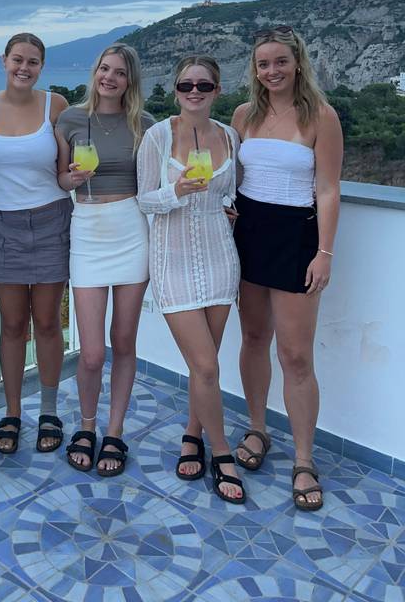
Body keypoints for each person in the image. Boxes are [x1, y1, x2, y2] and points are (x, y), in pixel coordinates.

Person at [232, 26, 343, 512]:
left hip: (297, 238)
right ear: (254, 70)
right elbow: (233, 177)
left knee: (296, 355)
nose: (271, 71)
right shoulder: (243, 115)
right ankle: (258, 429)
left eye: (280, 61)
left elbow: (328, 189)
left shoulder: (322, 115)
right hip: (248, 234)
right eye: (262, 64)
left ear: (297, 62)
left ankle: (304, 458)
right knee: (253, 339)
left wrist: (325, 252)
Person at [137, 54, 245, 503]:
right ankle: (222, 455)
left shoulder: (230, 136)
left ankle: (192, 432)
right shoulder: (158, 137)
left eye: (204, 85)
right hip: (172, 261)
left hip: (221, 257)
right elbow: (144, 200)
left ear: (218, 90)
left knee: (208, 363)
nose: (195, 92)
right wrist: (176, 192)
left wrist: (229, 210)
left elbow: (230, 191)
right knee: (205, 365)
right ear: (176, 90)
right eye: (186, 86)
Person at [55, 44, 153, 476]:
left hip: (131, 229)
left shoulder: (145, 125)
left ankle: (114, 432)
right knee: (92, 353)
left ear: (129, 80)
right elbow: (61, 178)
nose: (109, 78)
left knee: (125, 342)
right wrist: (70, 179)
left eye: (119, 72)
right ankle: (87, 426)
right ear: (95, 72)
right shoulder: (71, 119)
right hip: (88, 230)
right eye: (104, 69)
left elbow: (159, 179)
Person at [0, 33, 71, 456]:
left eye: (33, 62)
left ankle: (48, 410)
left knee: (48, 322)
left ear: (41, 66)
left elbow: (67, 169)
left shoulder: (57, 105)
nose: (24, 68)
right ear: (4, 60)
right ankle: (12, 412)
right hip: (0, 224)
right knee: (12, 325)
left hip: (51, 219)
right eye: (17, 59)